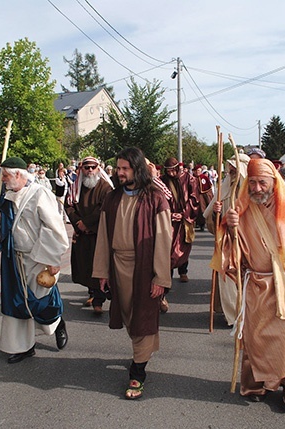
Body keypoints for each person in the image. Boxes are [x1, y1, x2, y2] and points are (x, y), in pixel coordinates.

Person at [219, 158, 285, 410]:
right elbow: (232, 252)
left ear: (273, 182)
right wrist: (228, 226)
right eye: (252, 182)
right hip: (256, 282)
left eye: (262, 182)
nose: (257, 188)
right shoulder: (240, 209)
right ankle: (258, 385)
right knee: (256, 338)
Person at [92, 147, 172, 400]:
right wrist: (102, 271)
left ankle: (138, 372)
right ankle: (142, 354)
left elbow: (163, 239)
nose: (120, 172)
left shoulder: (155, 198)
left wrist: (160, 277)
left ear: (137, 169)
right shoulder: (112, 198)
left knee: (143, 320)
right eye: (118, 168)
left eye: (125, 168)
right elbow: (103, 237)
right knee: (128, 316)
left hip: (146, 268)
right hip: (118, 266)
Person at [0, 157, 69, 364]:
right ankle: (23, 347)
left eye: (5, 176)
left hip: (38, 258)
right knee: (16, 303)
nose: (3, 180)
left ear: (18, 174)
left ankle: (57, 322)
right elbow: (8, 225)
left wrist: (52, 258)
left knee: (41, 301)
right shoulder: (6, 196)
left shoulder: (40, 194)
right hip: (13, 258)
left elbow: (53, 227)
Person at [204, 155, 250, 325]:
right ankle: (233, 313)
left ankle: (247, 311)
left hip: (246, 243)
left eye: (234, 167)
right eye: (229, 167)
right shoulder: (224, 189)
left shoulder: (250, 191)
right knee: (227, 278)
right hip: (226, 242)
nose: (231, 170)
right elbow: (212, 224)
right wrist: (216, 212)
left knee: (245, 278)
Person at [64, 156, 114, 314]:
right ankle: (92, 293)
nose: (90, 170)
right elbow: (69, 206)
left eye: (93, 167)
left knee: (99, 266)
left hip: (99, 233)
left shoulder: (105, 187)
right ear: (81, 169)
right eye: (87, 168)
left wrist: (87, 223)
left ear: (98, 168)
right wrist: (78, 223)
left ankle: (98, 299)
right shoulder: (74, 188)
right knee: (85, 265)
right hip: (82, 234)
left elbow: (105, 207)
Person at [160, 157, 198, 289]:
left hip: (184, 220)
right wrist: (168, 214)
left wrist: (184, 214)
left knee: (182, 246)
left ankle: (183, 271)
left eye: (172, 170)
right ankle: (167, 277)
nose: (170, 173)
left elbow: (194, 198)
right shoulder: (163, 181)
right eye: (168, 171)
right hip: (169, 221)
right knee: (168, 249)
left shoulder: (189, 179)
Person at [194, 165, 214, 232]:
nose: (197, 172)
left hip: (203, 196)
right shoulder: (192, 178)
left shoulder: (204, 178)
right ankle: (198, 223)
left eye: (199, 171)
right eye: (196, 171)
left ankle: (204, 223)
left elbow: (208, 187)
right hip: (195, 196)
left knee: (203, 209)